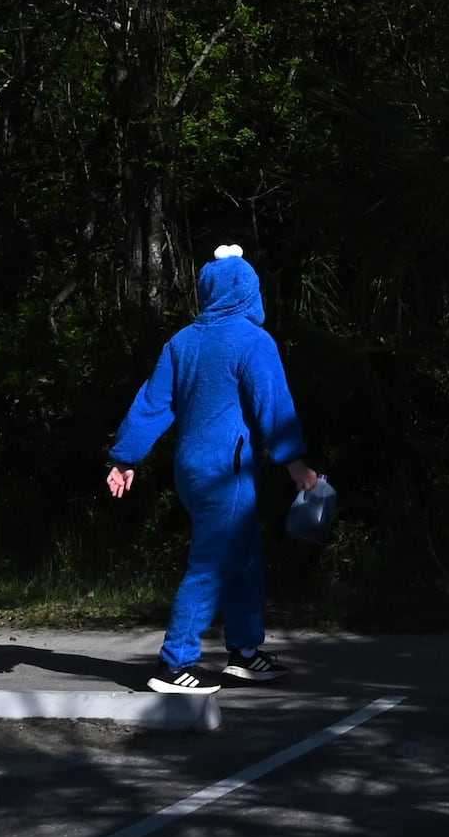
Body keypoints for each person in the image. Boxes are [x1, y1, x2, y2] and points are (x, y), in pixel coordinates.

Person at [105, 245, 323, 697]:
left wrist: (125, 458)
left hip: (191, 471)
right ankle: (174, 665)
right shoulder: (252, 340)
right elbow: (274, 407)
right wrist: (296, 464)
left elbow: (152, 404)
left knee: (241, 557)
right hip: (230, 471)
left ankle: (243, 655)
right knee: (211, 564)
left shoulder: (181, 341)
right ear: (248, 291)